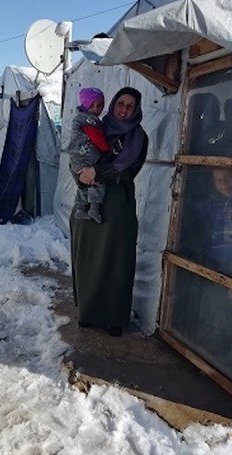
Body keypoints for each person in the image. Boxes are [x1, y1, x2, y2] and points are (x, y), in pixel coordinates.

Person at [70, 87, 149, 336]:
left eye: (130, 106)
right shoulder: (96, 126)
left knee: (116, 260)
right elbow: (78, 152)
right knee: (89, 257)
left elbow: (127, 169)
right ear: (112, 104)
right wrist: (81, 175)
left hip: (117, 203)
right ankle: (89, 312)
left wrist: (98, 172)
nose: (124, 109)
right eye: (120, 104)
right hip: (88, 197)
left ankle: (114, 317)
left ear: (136, 110)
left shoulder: (138, 137)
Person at [68, 87, 109, 222]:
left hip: (75, 160)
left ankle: (80, 208)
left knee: (82, 185)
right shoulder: (89, 120)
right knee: (96, 182)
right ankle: (94, 209)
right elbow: (96, 138)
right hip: (86, 158)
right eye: (92, 105)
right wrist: (106, 149)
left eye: (100, 105)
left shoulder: (79, 118)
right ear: (85, 105)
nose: (96, 108)